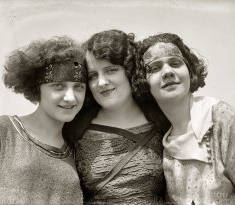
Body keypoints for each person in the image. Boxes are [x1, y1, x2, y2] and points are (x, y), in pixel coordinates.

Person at [63, 29, 169, 204]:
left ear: (129, 70)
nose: (102, 82)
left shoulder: (163, 121)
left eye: (111, 70)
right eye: (92, 75)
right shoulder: (73, 129)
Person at [133, 32, 235, 205]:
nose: (167, 72)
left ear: (190, 71)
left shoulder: (219, 117)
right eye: (155, 68)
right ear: (144, 82)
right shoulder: (162, 140)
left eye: (175, 63)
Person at [0, 36, 87, 204]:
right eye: (58, 86)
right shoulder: (2, 130)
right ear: (36, 88)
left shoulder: (77, 151)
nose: (70, 97)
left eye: (79, 87)